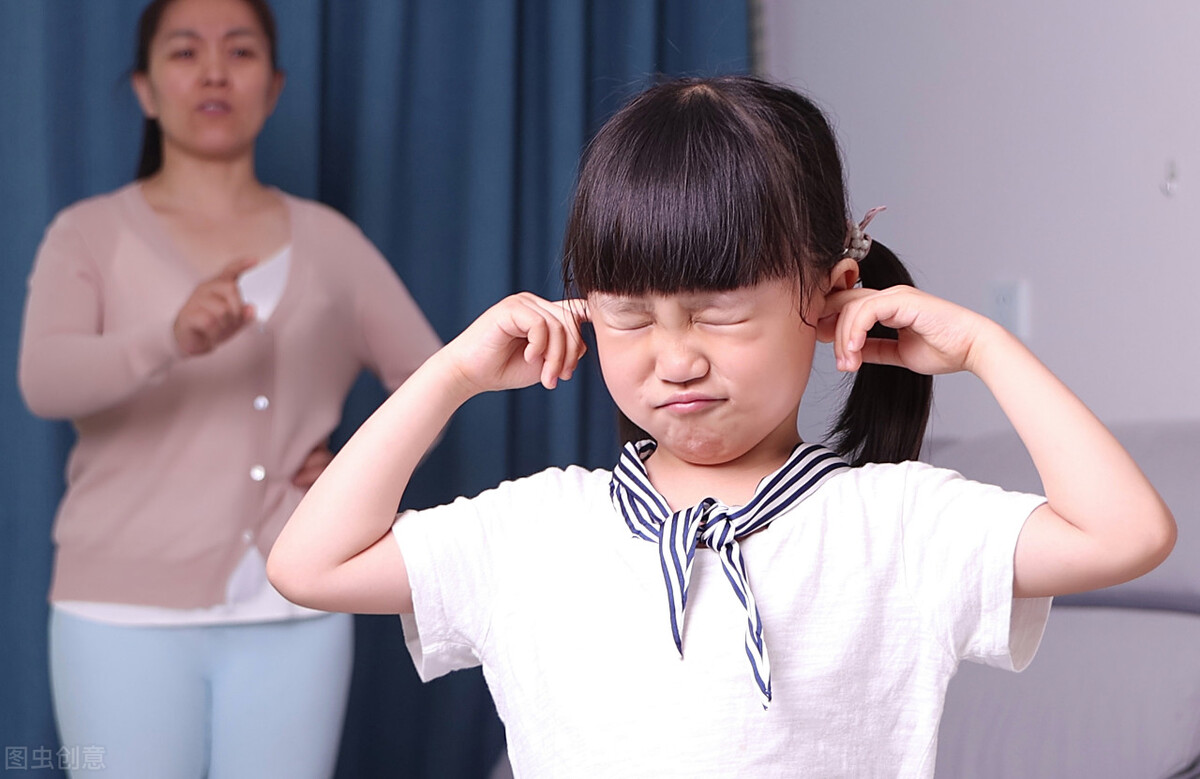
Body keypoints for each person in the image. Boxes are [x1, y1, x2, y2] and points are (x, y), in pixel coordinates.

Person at [266, 75, 1175, 777]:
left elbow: (1126, 533)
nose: (675, 359)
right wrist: (453, 374)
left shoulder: (895, 524)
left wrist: (985, 347)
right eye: (629, 316)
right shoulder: (538, 529)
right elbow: (308, 564)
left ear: (829, 301)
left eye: (719, 314)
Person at [17, 0, 442, 776]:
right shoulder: (89, 234)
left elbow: (435, 377)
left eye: (239, 51)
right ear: (145, 89)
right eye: (185, 52)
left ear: (274, 87)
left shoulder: (331, 243)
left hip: (295, 609)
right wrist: (168, 339)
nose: (214, 70)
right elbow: (44, 380)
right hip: (118, 612)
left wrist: (357, 472)